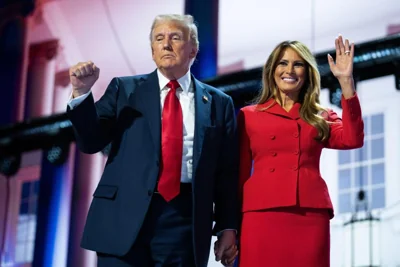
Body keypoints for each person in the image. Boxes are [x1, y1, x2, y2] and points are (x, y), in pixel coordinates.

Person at [67, 14, 239, 267]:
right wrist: (81, 94)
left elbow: (226, 173)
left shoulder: (219, 103)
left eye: (175, 37)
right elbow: (90, 142)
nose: (166, 44)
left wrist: (227, 226)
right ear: (152, 50)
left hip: (183, 222)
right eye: (159, 38)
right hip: (121, 218)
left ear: (193, 49)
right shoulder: (124, 90)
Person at [236, 35, 364, 267]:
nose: (290, 70)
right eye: (283, 63)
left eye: (298, 64)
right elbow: (239, 175)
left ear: (307, 73)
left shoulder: (320, 116)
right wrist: (229, 226)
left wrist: (346, 82)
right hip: (261, 215)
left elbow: (352, 139)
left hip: (309, 216)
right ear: (272, 70)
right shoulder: (248, 115)